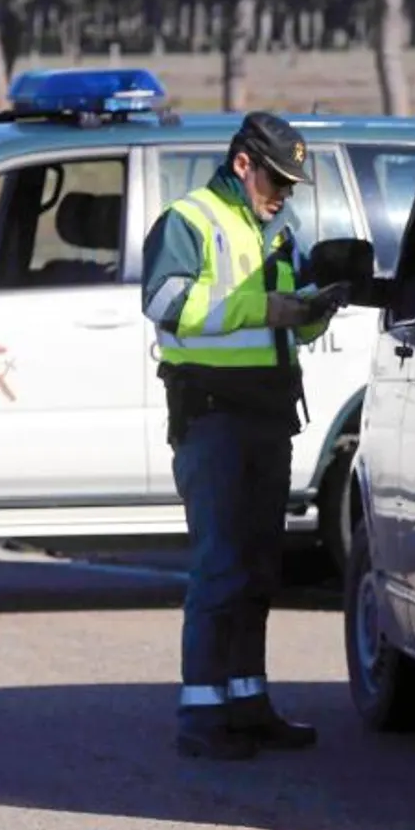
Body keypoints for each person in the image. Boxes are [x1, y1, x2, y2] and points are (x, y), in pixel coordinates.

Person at [140, 111, 343, 761]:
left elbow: (288, 327)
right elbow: (164, 303)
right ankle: (201, 715)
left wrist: (317, 307)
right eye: (275, 179)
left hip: (267, 415)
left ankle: (248, 704)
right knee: (221, 566)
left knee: (258, 569)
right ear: (242, 165)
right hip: (212, 416)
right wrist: (266, 306)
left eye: (291, 183)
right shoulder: (191, 220)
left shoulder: (278, 229)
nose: (283, 193)